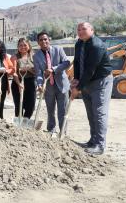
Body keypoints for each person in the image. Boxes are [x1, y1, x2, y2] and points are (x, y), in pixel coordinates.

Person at [71, 22, 113, 155]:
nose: (80, 31)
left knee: (99, 112)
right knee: (90, 112)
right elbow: (77, 62)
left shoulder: (96, 45)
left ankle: (100, 145)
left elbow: (90, 69)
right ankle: (93, 140)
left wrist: (78, 88)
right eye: (78, 29)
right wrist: (76, 79)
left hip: (100, 81)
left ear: (92, 30)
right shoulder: (79, 43)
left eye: (84, 29)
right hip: (86, 81)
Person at [34, 32, 71, 133]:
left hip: (62, 85)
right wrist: (40, 84)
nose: (43, 41)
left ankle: (63, 132)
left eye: (45, 39)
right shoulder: (36, 56)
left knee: (62, 110)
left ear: (49, 40)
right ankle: (51, 130)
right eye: (41, 40)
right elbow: (38, 73)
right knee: (50, 110)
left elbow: (67, 62)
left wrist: (53, 69)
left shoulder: (58, 49)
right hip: (48, 87)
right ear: (38, 42)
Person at [11, 38, 36, 118]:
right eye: (20, 45)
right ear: (18, 47)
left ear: (29, 46)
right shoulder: (14, 57)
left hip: (31, 82)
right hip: (17, 82)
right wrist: (19, 84)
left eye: (25, 45)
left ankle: (25, 123)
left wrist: (29, 69)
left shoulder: (34, 57)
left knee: (31, 106)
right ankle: (18, 126)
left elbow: (37, 72)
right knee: (19, 106)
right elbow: (14, 72)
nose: (23, 47)